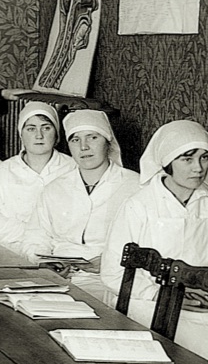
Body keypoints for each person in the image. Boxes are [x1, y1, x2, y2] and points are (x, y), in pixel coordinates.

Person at [100, 119, 208, 364]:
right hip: (148, 305)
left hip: (206, 310)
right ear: (167, 162)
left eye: (204, 158)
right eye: (187, 159)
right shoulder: (139, 206)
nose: (198, 168)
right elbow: (111, 273)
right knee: (190, 355)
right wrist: (163, 294)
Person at [18, 110, 139, 277]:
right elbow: (36, 236)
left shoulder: (136, 186)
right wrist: (45, 262)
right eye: (75, 140)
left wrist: (111, 261)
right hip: (59, 277)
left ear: (108, 141)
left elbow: (150, 242)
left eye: (92, 137)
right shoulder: (55, 188)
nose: (84, 147)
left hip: (111, 278)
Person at [0, 101, 76, 249]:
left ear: (56, 134)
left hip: (61, 251)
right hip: (12, 252)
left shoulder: (73, 168)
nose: (39, 135)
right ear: (21, 135)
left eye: (46, 128)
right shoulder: (2, 171)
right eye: (31, 129)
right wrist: (36, 236)